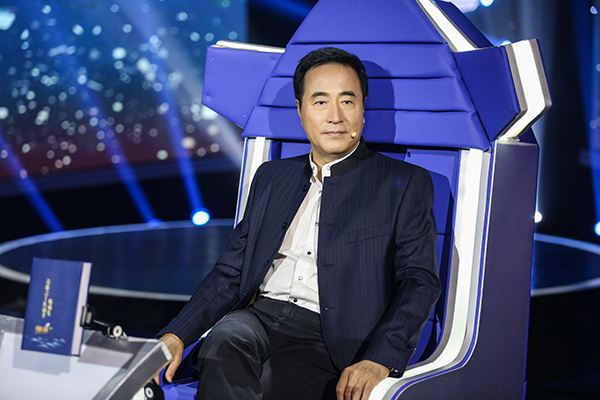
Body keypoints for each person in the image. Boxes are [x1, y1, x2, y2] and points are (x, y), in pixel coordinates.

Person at [156, 47, 441, 400]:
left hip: (331, 338)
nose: (335, 116)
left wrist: (379, 359)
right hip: (258, 318)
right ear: (300, 110)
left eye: (347, 101)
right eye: (320, 102)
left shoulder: (403, 183)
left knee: (272, 381)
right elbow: (231, 270)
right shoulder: (272, 176)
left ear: (363, 109)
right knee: (225, 338)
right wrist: (177, 334)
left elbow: (419, 280)